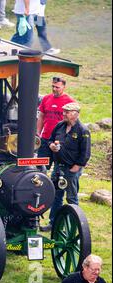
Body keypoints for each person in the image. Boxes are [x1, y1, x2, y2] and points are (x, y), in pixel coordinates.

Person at [40, 102, 91, 232]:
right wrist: (51, 145)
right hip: (58, 167)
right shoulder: (60, 125)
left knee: (71, 197)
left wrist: (77, 167)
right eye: (63, 112)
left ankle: (73, 226)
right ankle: (53, 224)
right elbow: (50, 140)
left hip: (72, 168)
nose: (63, 114)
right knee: (56, 195)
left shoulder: (83, 130)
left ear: (76, 114)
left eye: (67, 112)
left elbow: (85, 152)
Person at [36, 77, 75, 172]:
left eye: (57, 87)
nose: (54, 89)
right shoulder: (46, 98)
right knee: (40, 167)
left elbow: (73, 122)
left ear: (64, 87)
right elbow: (41, 116)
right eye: (53, 86)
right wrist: (38, 133)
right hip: (45, 139)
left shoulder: (70, 102)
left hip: (61, 141)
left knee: (60, 169)